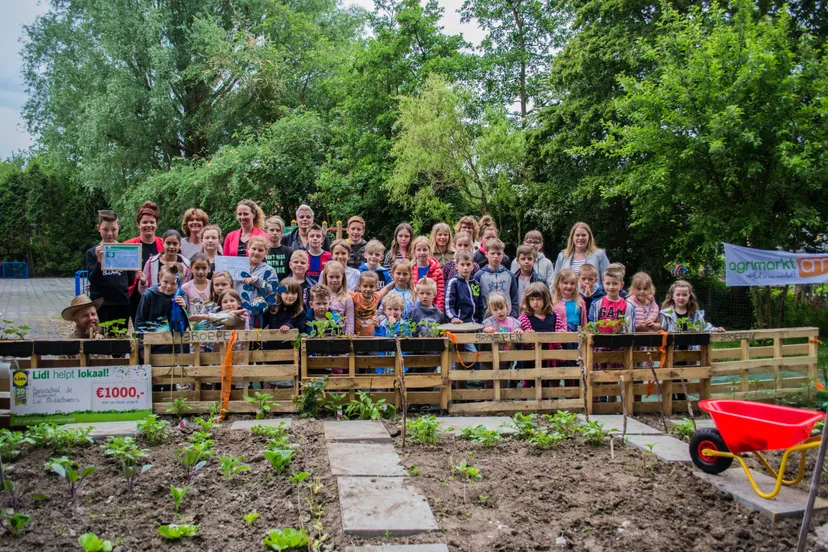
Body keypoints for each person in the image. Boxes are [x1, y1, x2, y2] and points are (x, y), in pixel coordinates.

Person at [86, 210, 130, 329]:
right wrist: (99, 263)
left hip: (121, 303)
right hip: (100, 303)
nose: (110, 233)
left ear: (118, 228)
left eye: (113, 229)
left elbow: (129, 279)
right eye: (105, 229)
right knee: (99, 337)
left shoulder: (125, 251)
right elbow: (93, 279)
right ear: (99, 228)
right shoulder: (92, 253)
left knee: (120, 338)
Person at [124, 201, 163, 328]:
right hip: (135, 296)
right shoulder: (128, 245)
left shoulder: (163, 244)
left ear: (156, 224)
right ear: (138, 224)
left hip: (158, 295)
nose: (148, 225)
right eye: (144, 222)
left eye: (152, 222)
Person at [474, 238, 518, 316]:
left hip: (506, 318)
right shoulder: (479, 276)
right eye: (492, 253)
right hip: (486, 318)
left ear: (503, 254)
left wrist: (513, 316)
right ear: (486, 254)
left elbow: (514, 299)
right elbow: (476, 299)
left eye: (498, 253)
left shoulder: (510, 276)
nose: (496, 256)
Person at [138, 230, 192, 294]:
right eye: (168, 243)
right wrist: (143, 283)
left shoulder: (186, 264)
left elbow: (187, 290)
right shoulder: (151, 262)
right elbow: (143, 292)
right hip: (156, 301)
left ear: (180, 244)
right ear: (163, 243)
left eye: (175, 244)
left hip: (176, 302)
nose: (171, 247)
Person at [659, 280, 725, 333]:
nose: (681, 297)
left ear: (689, 296)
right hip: (671, 348)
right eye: (678, 295)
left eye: (684, 295)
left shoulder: (695, 313)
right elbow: (661, 330)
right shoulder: (666, 314)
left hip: (692, 348)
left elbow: (704, 327)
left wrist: (716, 329)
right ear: (672, 296)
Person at [587, 266, 635, 332]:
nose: (611, 287)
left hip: (620, 341)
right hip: (600, 340)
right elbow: (591, 326)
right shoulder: (596, 305)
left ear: (621, 285)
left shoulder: (629, 307)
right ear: (603, 284)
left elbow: (631, 328)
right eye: (608, 283)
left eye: (615, 283)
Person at [233, 235, 276, 304]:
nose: (256, 252)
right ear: (248, 249)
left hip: (259, 310)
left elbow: (273, 291)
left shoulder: (269, 270)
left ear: (266, 253)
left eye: (260, 250)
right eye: (254, 249)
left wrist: (256, 280)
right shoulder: (237, 266)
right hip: (238, 308)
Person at [445, 251, 484, 325]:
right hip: (458, 324)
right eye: (462, 265)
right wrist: (453, 317)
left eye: (468, 264)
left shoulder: (476, 284)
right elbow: (448, 304)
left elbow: (480, 306)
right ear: (456, 266)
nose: (465, 268)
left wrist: (482, 322)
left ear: (473, 266)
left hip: (475, 324)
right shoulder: (453, 282)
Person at [410, 236, 445, 312]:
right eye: (419, 250)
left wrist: (438, 313)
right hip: (414, 310)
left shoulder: (437, 271)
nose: (422, 252)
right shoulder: (410, 270)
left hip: (432, 310)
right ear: (414, 251)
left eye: (425, 249)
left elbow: (440, 295)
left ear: (430, 250)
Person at [321, 261, 354, 335]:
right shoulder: (320, 296)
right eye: (331, 277)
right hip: (321, 334)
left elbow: (350, 323)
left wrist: (348, 338)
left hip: (339, 335)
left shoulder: (347, 298)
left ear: (343, 277)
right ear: (325, 277)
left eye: (337, 277)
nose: (334, 280)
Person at [351, 271, 383, 337]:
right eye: (365, 286)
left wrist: (395, 281)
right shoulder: (355, 297)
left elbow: (386, 289)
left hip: (372, 336)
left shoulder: (376, 297)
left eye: (371, 286)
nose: (368, 289)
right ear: (359, 286)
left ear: (376, 287)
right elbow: (343, 291)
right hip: (357, 336)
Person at [181, 253, 212, 319]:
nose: (200, 272)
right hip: (192, 325)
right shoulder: (185, 287)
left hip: (210, 324)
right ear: (191, 268)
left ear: (209, 268)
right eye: (197, 268)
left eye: (204, 268)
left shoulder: (212, 285)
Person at [264, 216, 294, 282]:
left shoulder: (289, 252)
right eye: (272, 230)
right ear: (266, 231)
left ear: (282, 232)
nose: (275, 233)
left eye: (278, 230)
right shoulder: (262, 251)